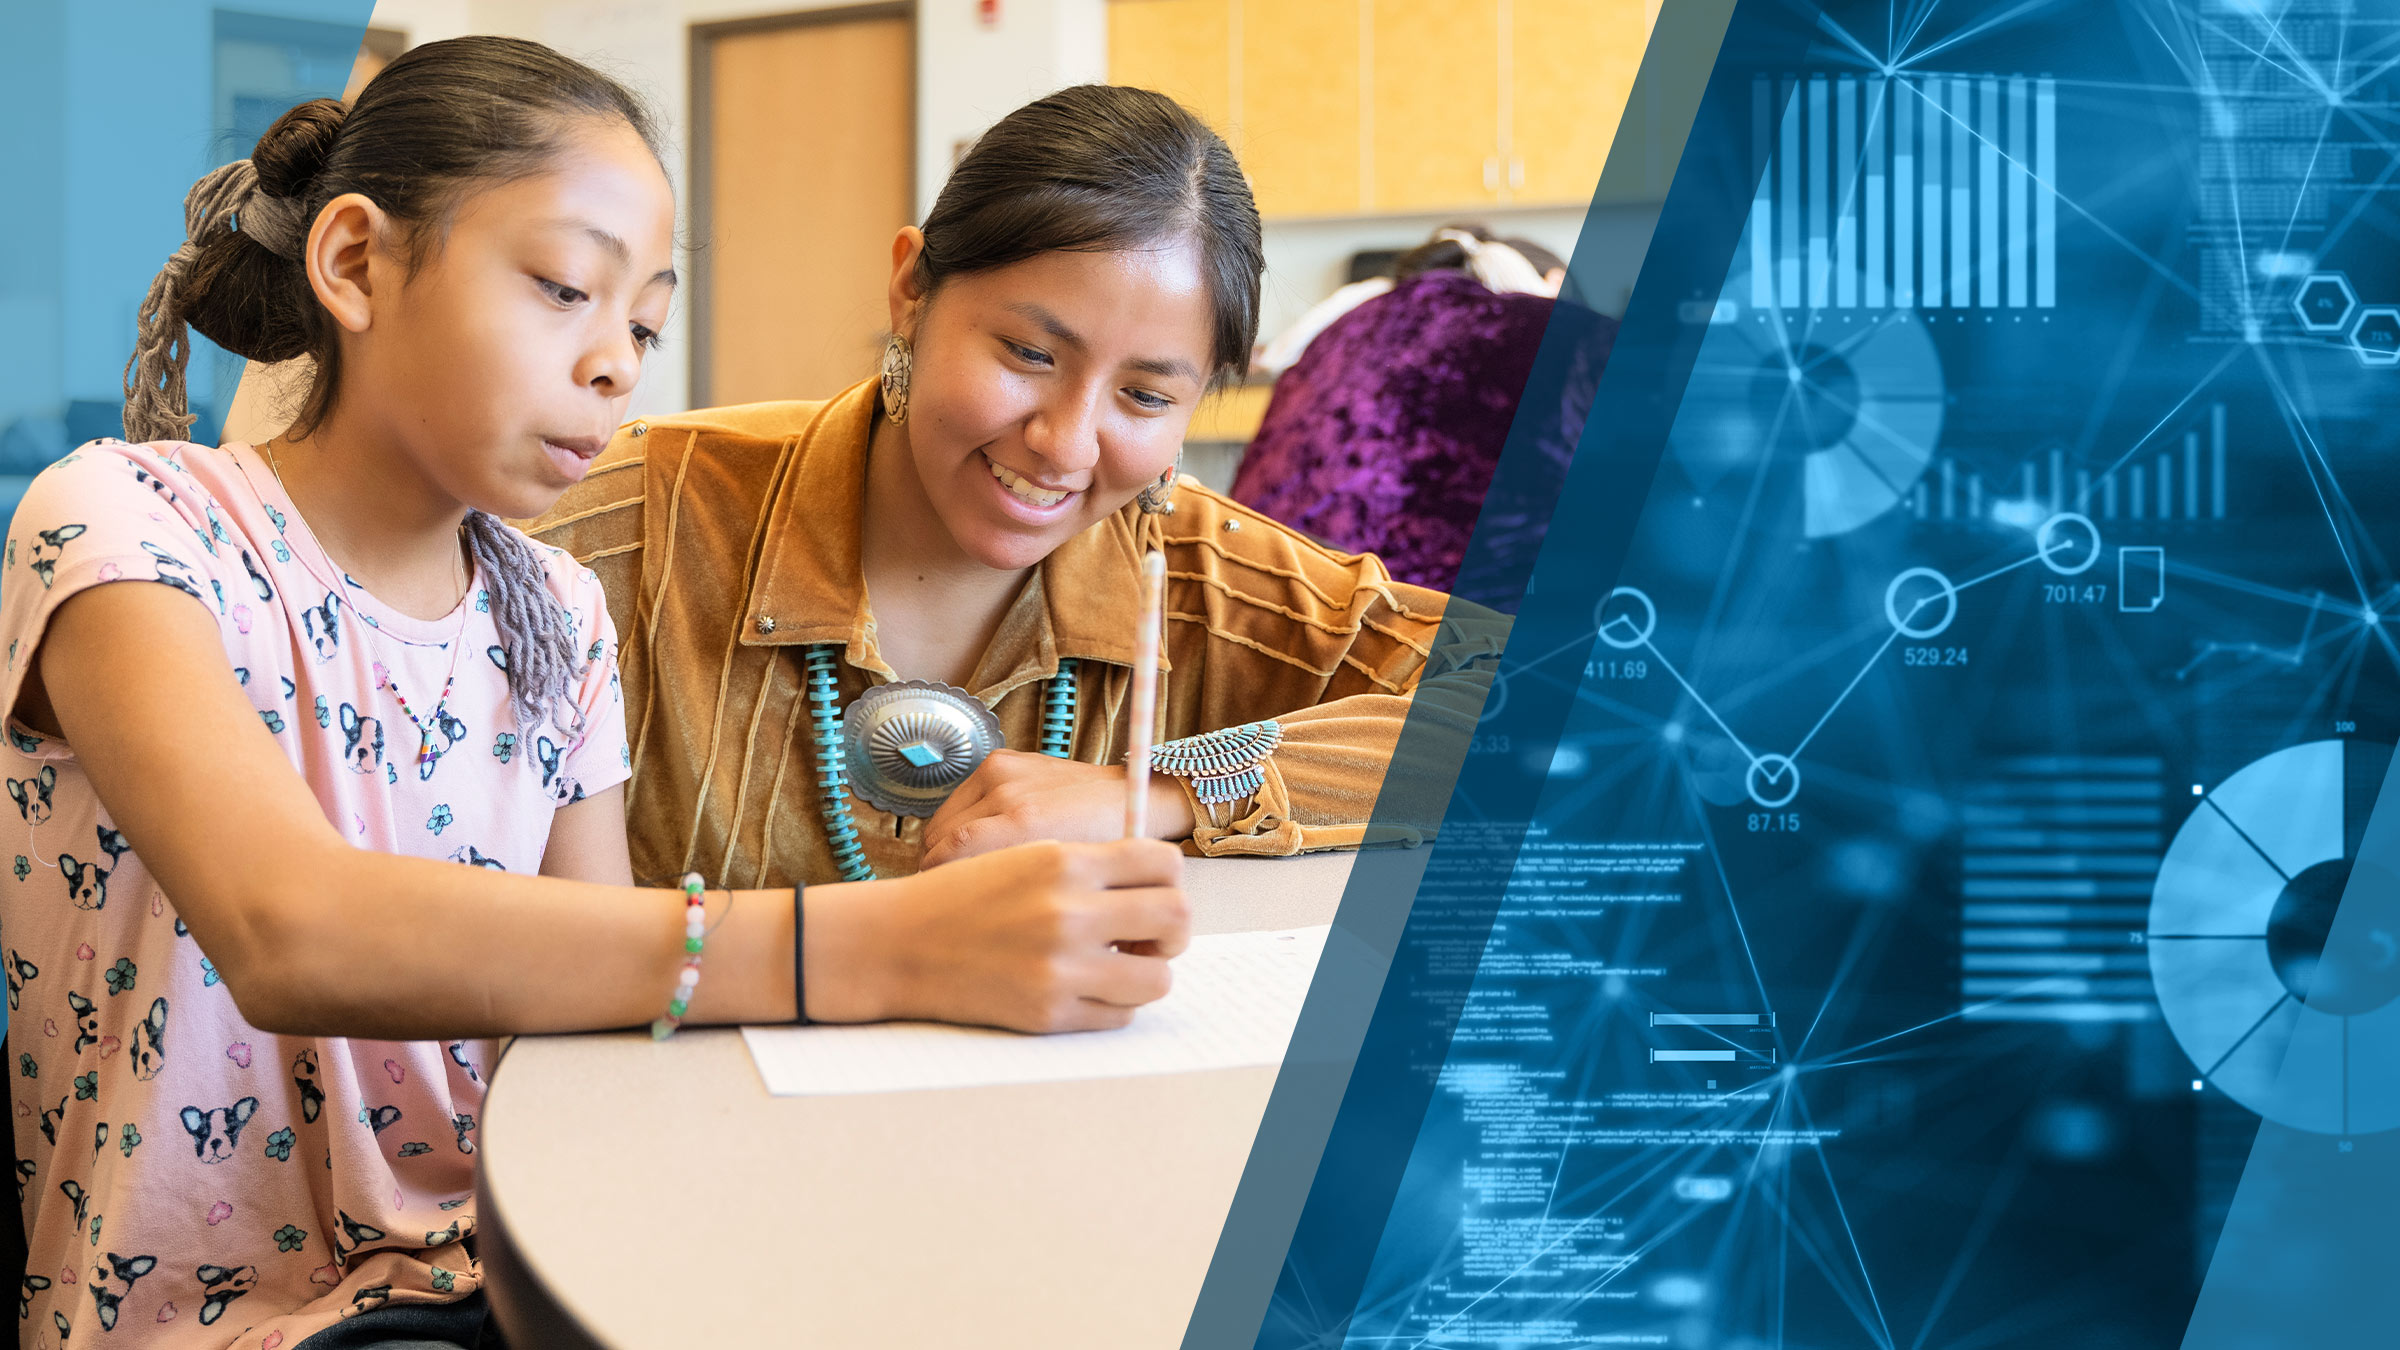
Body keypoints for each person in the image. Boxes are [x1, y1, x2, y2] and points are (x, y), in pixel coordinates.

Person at [4, 38, 1185, 1350]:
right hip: (235, 1320)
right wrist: (893, 943)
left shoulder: (555, 612)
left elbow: (601, 994)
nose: (619, 363)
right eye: (567, 289)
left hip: (517, 1258)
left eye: (643, 324)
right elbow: (293, 929)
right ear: (353, 263)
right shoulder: (128, 526)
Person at [530, 84, 1502, 892]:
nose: (1064, 444)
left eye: (1145, 393)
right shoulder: (632, 520)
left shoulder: (1207, 578)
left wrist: (1165, 791)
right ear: (911, 290)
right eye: (1030, 353)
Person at [1230, 223, 1609, 592]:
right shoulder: (1548, 342)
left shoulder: (1355, 324)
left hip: (1270, 592)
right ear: (1548, 282)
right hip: (1442, 627)